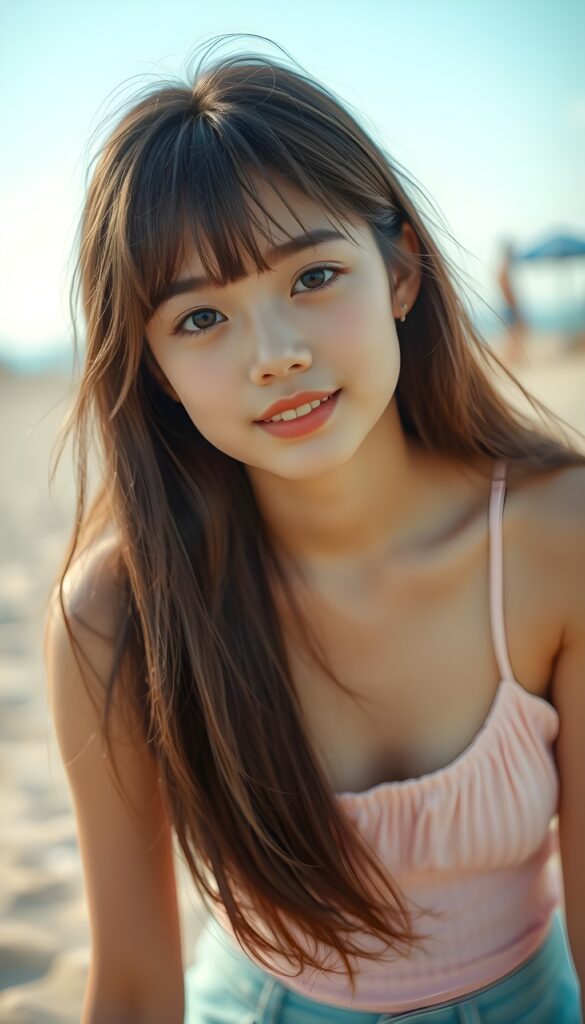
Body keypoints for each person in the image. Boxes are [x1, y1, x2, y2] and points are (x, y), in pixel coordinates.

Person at [44, 35, 585, 1024]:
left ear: (403, 274)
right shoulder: (118, 611)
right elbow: (128, 989)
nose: (276, 355)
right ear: (153, 366)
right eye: (201, 319)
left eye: (312, 278)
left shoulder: (558, 540)